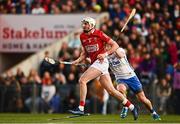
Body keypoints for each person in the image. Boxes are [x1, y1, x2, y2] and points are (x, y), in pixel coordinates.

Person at [69, 17, 138, 120]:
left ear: (92, 25)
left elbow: (115, 45)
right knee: (111, 91)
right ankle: (132, 107)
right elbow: (84, 53)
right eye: (83, 23)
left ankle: (81, 108)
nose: (84, 25)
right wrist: (78, 60)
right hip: (95, 63)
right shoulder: (82, 36)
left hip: (101, 63)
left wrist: (105, 54)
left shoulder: (99, 34)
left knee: (82, 80)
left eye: (86, 24)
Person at [107, 47, 161, 120]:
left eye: (107, 45)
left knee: (142, 98)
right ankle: (125, 107)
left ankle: (153, 112)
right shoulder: (105, 56)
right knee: (120, 88)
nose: (106, 47)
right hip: (120, 78)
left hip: (131, 77)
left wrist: (114, 50)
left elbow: (121, 55)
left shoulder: (119, 50)